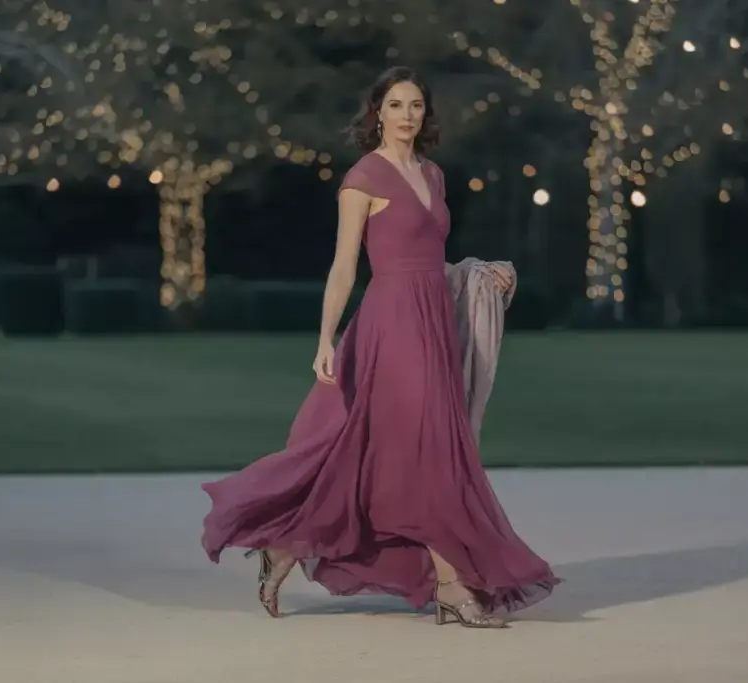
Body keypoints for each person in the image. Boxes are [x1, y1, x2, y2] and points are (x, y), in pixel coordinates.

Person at [200, 66, 561, 629]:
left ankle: (286, 548)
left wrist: (474, 275)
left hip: (432, 322)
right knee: (431, 452)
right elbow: (345, 267)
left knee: (378, 454)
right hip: (389, 325)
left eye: (416, 105)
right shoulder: (363, 177)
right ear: (377, 114)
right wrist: (324, 338)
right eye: (396, 105)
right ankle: (450, 586)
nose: (408, 115)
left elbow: (425, 260)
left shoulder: (435, 176)